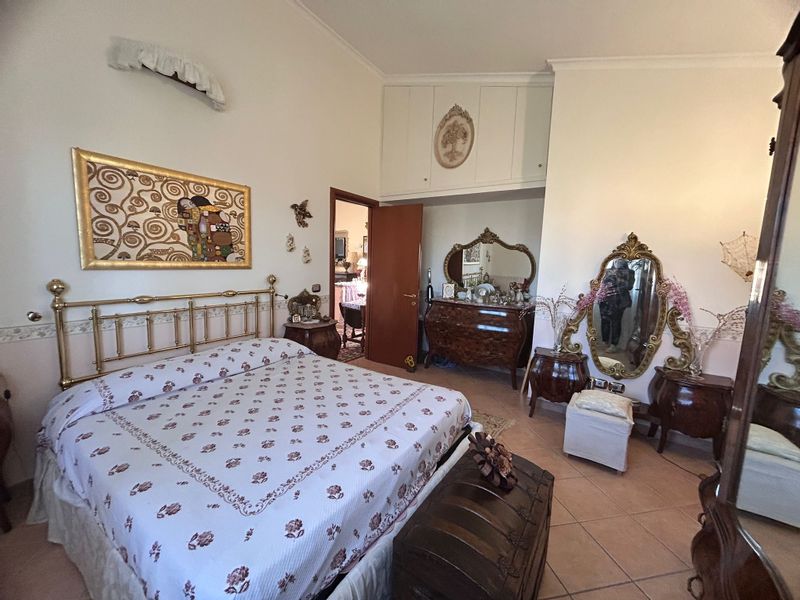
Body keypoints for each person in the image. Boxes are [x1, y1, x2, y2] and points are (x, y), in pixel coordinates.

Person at [598, 258, 635, 352]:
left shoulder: (630, 272)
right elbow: (602, 284)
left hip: (619, 301)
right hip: (605, 299)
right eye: (616, 259)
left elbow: (629, 286)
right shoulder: (607, 271)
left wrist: (618, 278)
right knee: (604, 320)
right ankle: (605, 341)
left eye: (620, 258)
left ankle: (614, 345)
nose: (618, 260)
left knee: (616, 322)